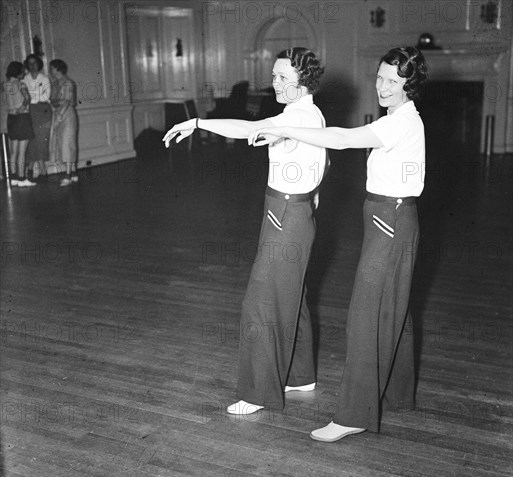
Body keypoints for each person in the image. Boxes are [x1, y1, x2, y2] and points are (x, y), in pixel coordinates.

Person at [249, 46, 427, 441]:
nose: (383, 87)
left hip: (392, 220)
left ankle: (355, 415)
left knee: (368, 314)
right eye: (380, 78)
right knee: (392, 306)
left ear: (409, 86)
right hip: (388, 217)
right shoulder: (399, 117)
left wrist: (285, 128)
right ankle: (397, 395)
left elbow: (344, 140)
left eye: (394, 82)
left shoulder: (401, 123)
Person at [163, 47, 328, 415]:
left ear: (304, 80)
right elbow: (321, 159)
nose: (274, 83)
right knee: (292, 294)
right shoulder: (307, 112)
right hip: (291, 210)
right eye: (273, 76)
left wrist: (198, 124)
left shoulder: (300, 117)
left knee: (260, 301)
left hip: (287, 212)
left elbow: (249, 128)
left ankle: (256, 393)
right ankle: (300, 376)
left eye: (283, 77)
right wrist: (313, 193)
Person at [2, 61, 36, 187]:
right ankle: (22, 178)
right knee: (22, 152)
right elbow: (27, 99)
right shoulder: (20, 84)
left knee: (13, 152)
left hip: (11, 118)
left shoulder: (5, 85)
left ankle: (14, 177)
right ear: (19, 71)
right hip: (22, 118)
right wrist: (23, 106)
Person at [49, 59, 78, 187]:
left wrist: (60, 116)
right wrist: (57, 106)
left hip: (67, 115)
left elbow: (66, 102)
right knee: (62, 143)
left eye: (52, 68)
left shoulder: (68, 83)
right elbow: (53, 101)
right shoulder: (55, 83)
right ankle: (73, 172)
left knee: (68, 143)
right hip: (58, 113)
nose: (50, 70)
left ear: (57, 68)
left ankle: (68, 175)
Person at [23, 54, 52, 182]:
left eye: (34, 63)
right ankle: (30, 167)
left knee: (42, 139)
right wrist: (34, 96)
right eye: (30, 63)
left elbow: (46, 96)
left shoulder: (44, 78)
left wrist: (32, 97)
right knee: (31, 139)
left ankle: (42, 168)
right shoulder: (25, 79)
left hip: (44, 112)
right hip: (30, 112)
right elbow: (24, 96)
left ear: (39, 64)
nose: (32, 66)